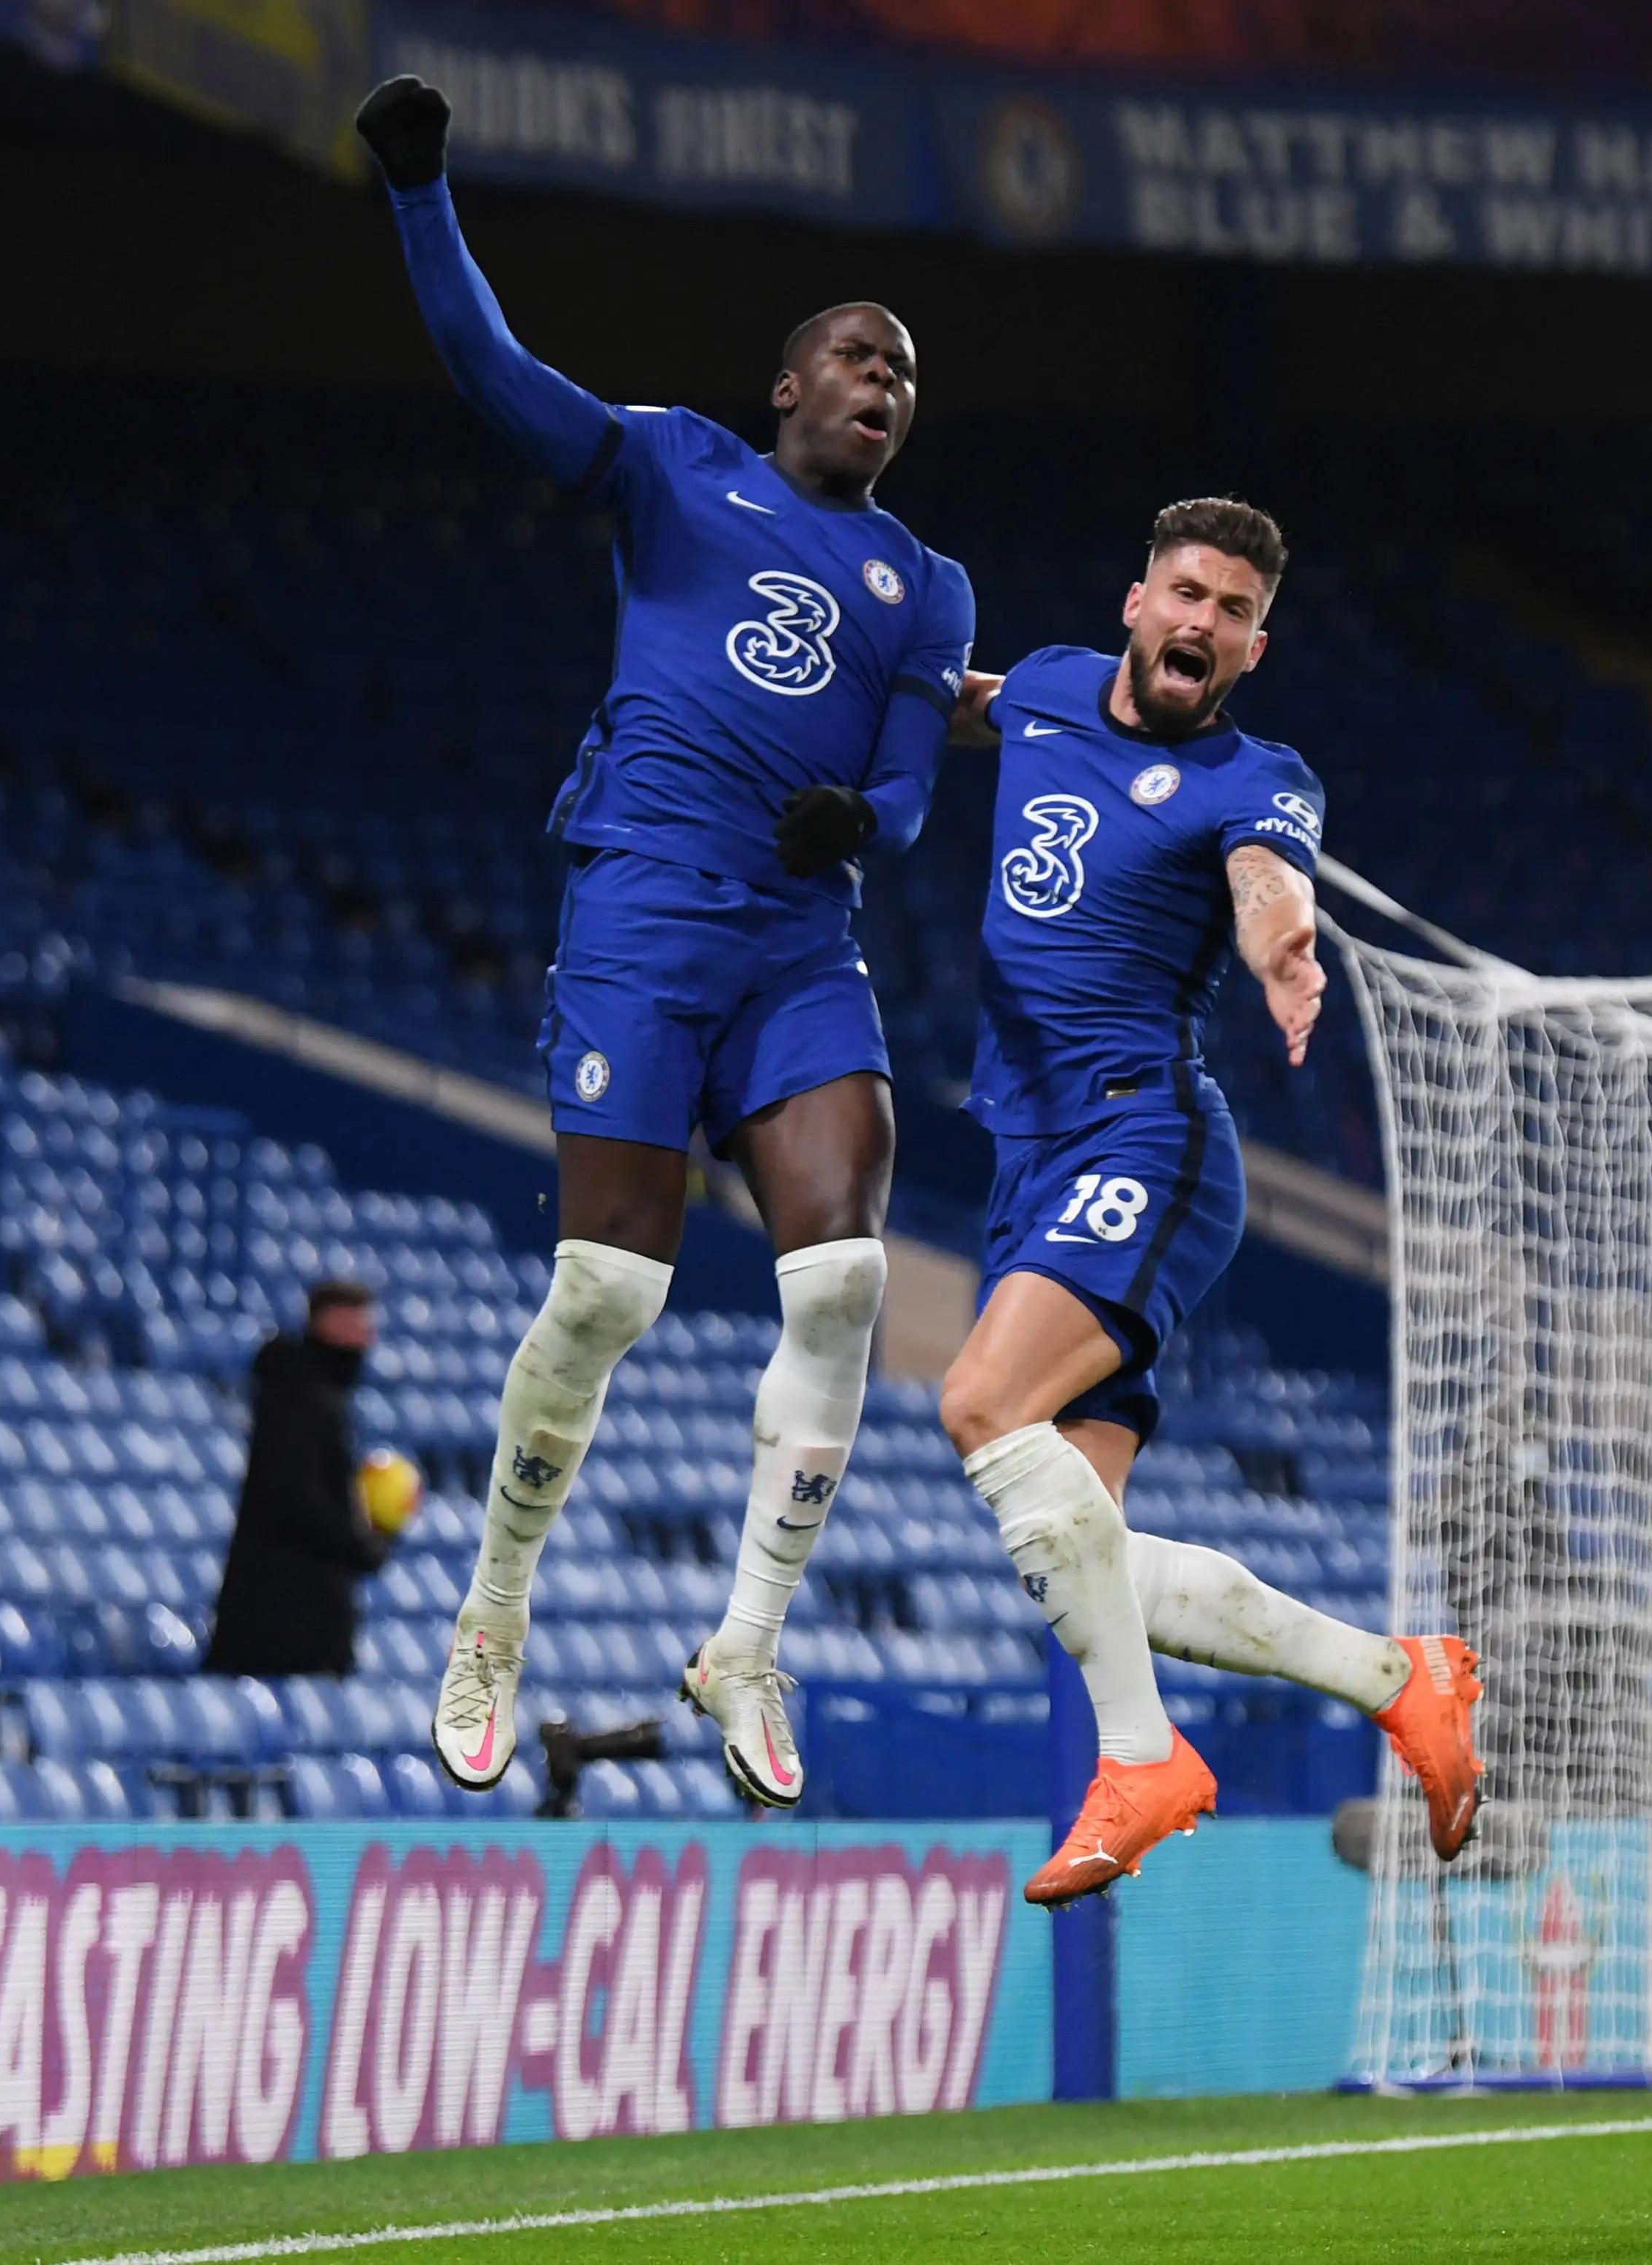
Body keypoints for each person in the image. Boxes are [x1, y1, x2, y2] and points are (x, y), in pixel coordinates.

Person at [357, 77, 976, 1809]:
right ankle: (494, 1609)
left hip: (798, 945)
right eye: (861, 357)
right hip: (638, 908)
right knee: (607, 1290)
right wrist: (422, 197)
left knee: (848, 1277)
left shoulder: (925, 586)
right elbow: (500, 378)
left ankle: (749, 1641)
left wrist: (864, 825)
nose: (885, 387)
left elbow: (913, 792)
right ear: (791, 386)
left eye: (908, 375)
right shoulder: (674, 465)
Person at [934, 497, 1485, 1908]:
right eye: (1187, 593)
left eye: (1233, 611)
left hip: (1145, 1139)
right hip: (1028, 1154)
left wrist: (1282, 947)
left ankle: (1140, 1762)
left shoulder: (1257, 777)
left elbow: (1265, 881)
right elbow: (963, 703)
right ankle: (1395, 1676)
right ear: (1137, 602)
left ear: (1252, 643)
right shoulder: (1052, 685)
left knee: (981, 1406)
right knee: (1077, 1554)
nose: (1204, 624)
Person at [202, 1280, 397, 1677]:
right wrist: (361, 1543)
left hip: (291, 1620)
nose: (367, 1342)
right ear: (330, 1325)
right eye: (359, 1329)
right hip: (283, 1626)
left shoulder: (307, 1394)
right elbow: (298, 1500)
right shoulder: (301, 1398)